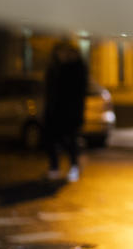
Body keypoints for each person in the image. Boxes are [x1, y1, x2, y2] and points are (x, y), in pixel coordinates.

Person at [43, 40, 88, 183]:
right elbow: (50, 92)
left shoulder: (75, 68)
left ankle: (73, 166)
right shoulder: (55, 68)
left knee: (70, 140)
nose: (62, 55)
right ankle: (55, 167)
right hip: (54, 112)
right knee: (53, 140)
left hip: (70, 113)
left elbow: (77, 93)